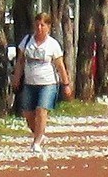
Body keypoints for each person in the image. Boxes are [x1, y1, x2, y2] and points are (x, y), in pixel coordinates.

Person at [15, 13, 70, 156]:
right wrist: (16, 77)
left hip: (48, 83)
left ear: (48, 27)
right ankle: (39, 134)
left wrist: (66, 84)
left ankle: (37, 142)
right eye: (37, 25)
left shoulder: (53, 45)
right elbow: (20, 61)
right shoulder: (27, 41)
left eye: (42, 25)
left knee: (41, 110)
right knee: (28, 113)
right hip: (29, 83)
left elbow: (60, 65)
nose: (39, 28)